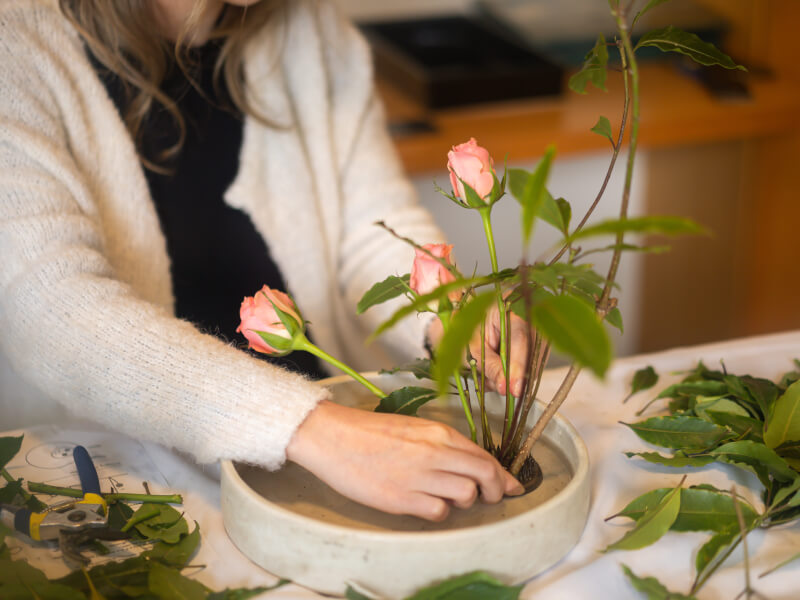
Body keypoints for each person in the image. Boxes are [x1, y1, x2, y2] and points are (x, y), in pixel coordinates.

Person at [0, 0, 528, 521]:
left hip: (330, 443)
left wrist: (449, 317)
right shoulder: (15, 41)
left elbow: (370, 223)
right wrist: (309, 427)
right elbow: (53, 309)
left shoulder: (310, 27)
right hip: (122, 486)